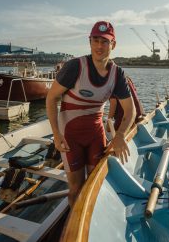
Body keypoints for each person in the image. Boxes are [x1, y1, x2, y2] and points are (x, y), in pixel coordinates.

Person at [46, 21, 135, 207]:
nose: (99, 46)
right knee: (76, 188)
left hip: (95, 134)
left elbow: (130, 110)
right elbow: (52, 98)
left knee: (94, 185)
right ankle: (73, 225)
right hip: (70, 136)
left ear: (114, 45)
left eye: (105, 41)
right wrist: (56, 134)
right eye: (95, 40)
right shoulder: (74, 67)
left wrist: (119, 136)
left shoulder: (117, 74)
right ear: (90, 42)